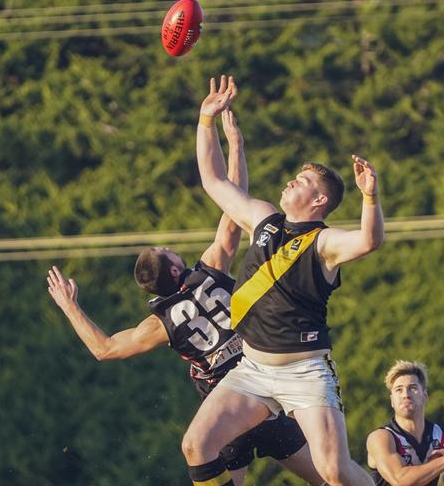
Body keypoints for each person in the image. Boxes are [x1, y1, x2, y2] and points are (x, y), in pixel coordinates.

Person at [46, 110, 323, 486]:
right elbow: (232, 207)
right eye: (168, 250)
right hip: (259, 386)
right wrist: (236, 145)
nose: (172, 247)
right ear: (175, 270)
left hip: (226, 403)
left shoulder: (159, 322)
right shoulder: (208, 269)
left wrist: (69, 306)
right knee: (327, 478)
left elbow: (106, 349)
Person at [182, 74, 384, 486]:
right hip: (253, 368)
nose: (293, 180)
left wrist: (370, 197)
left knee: (334, 472)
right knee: (196, 445)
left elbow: (369, 240)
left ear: (319, 201)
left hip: (305, 372)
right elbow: (213, 181)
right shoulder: (264, 220)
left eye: (304, 181)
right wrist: (205, 120)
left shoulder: (324, 241)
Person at [367, 360, 444, 486]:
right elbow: (400, 480)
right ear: (392, 401)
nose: (406, 395)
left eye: (412, 388)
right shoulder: (381, 437)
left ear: (425, 395)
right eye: (399, 390)